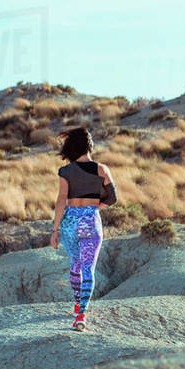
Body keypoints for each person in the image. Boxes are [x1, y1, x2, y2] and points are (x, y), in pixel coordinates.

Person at [50, 127, 115, 331]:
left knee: (75, 265)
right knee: (88, 269)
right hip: (90, 222)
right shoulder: (101, 169)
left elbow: (62, 200)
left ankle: (77, 303)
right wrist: (94, 207)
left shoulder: (66, 172)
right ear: (89, 146)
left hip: (70, 222)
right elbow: (112, 198)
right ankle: (81, 315)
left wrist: (55, 230)